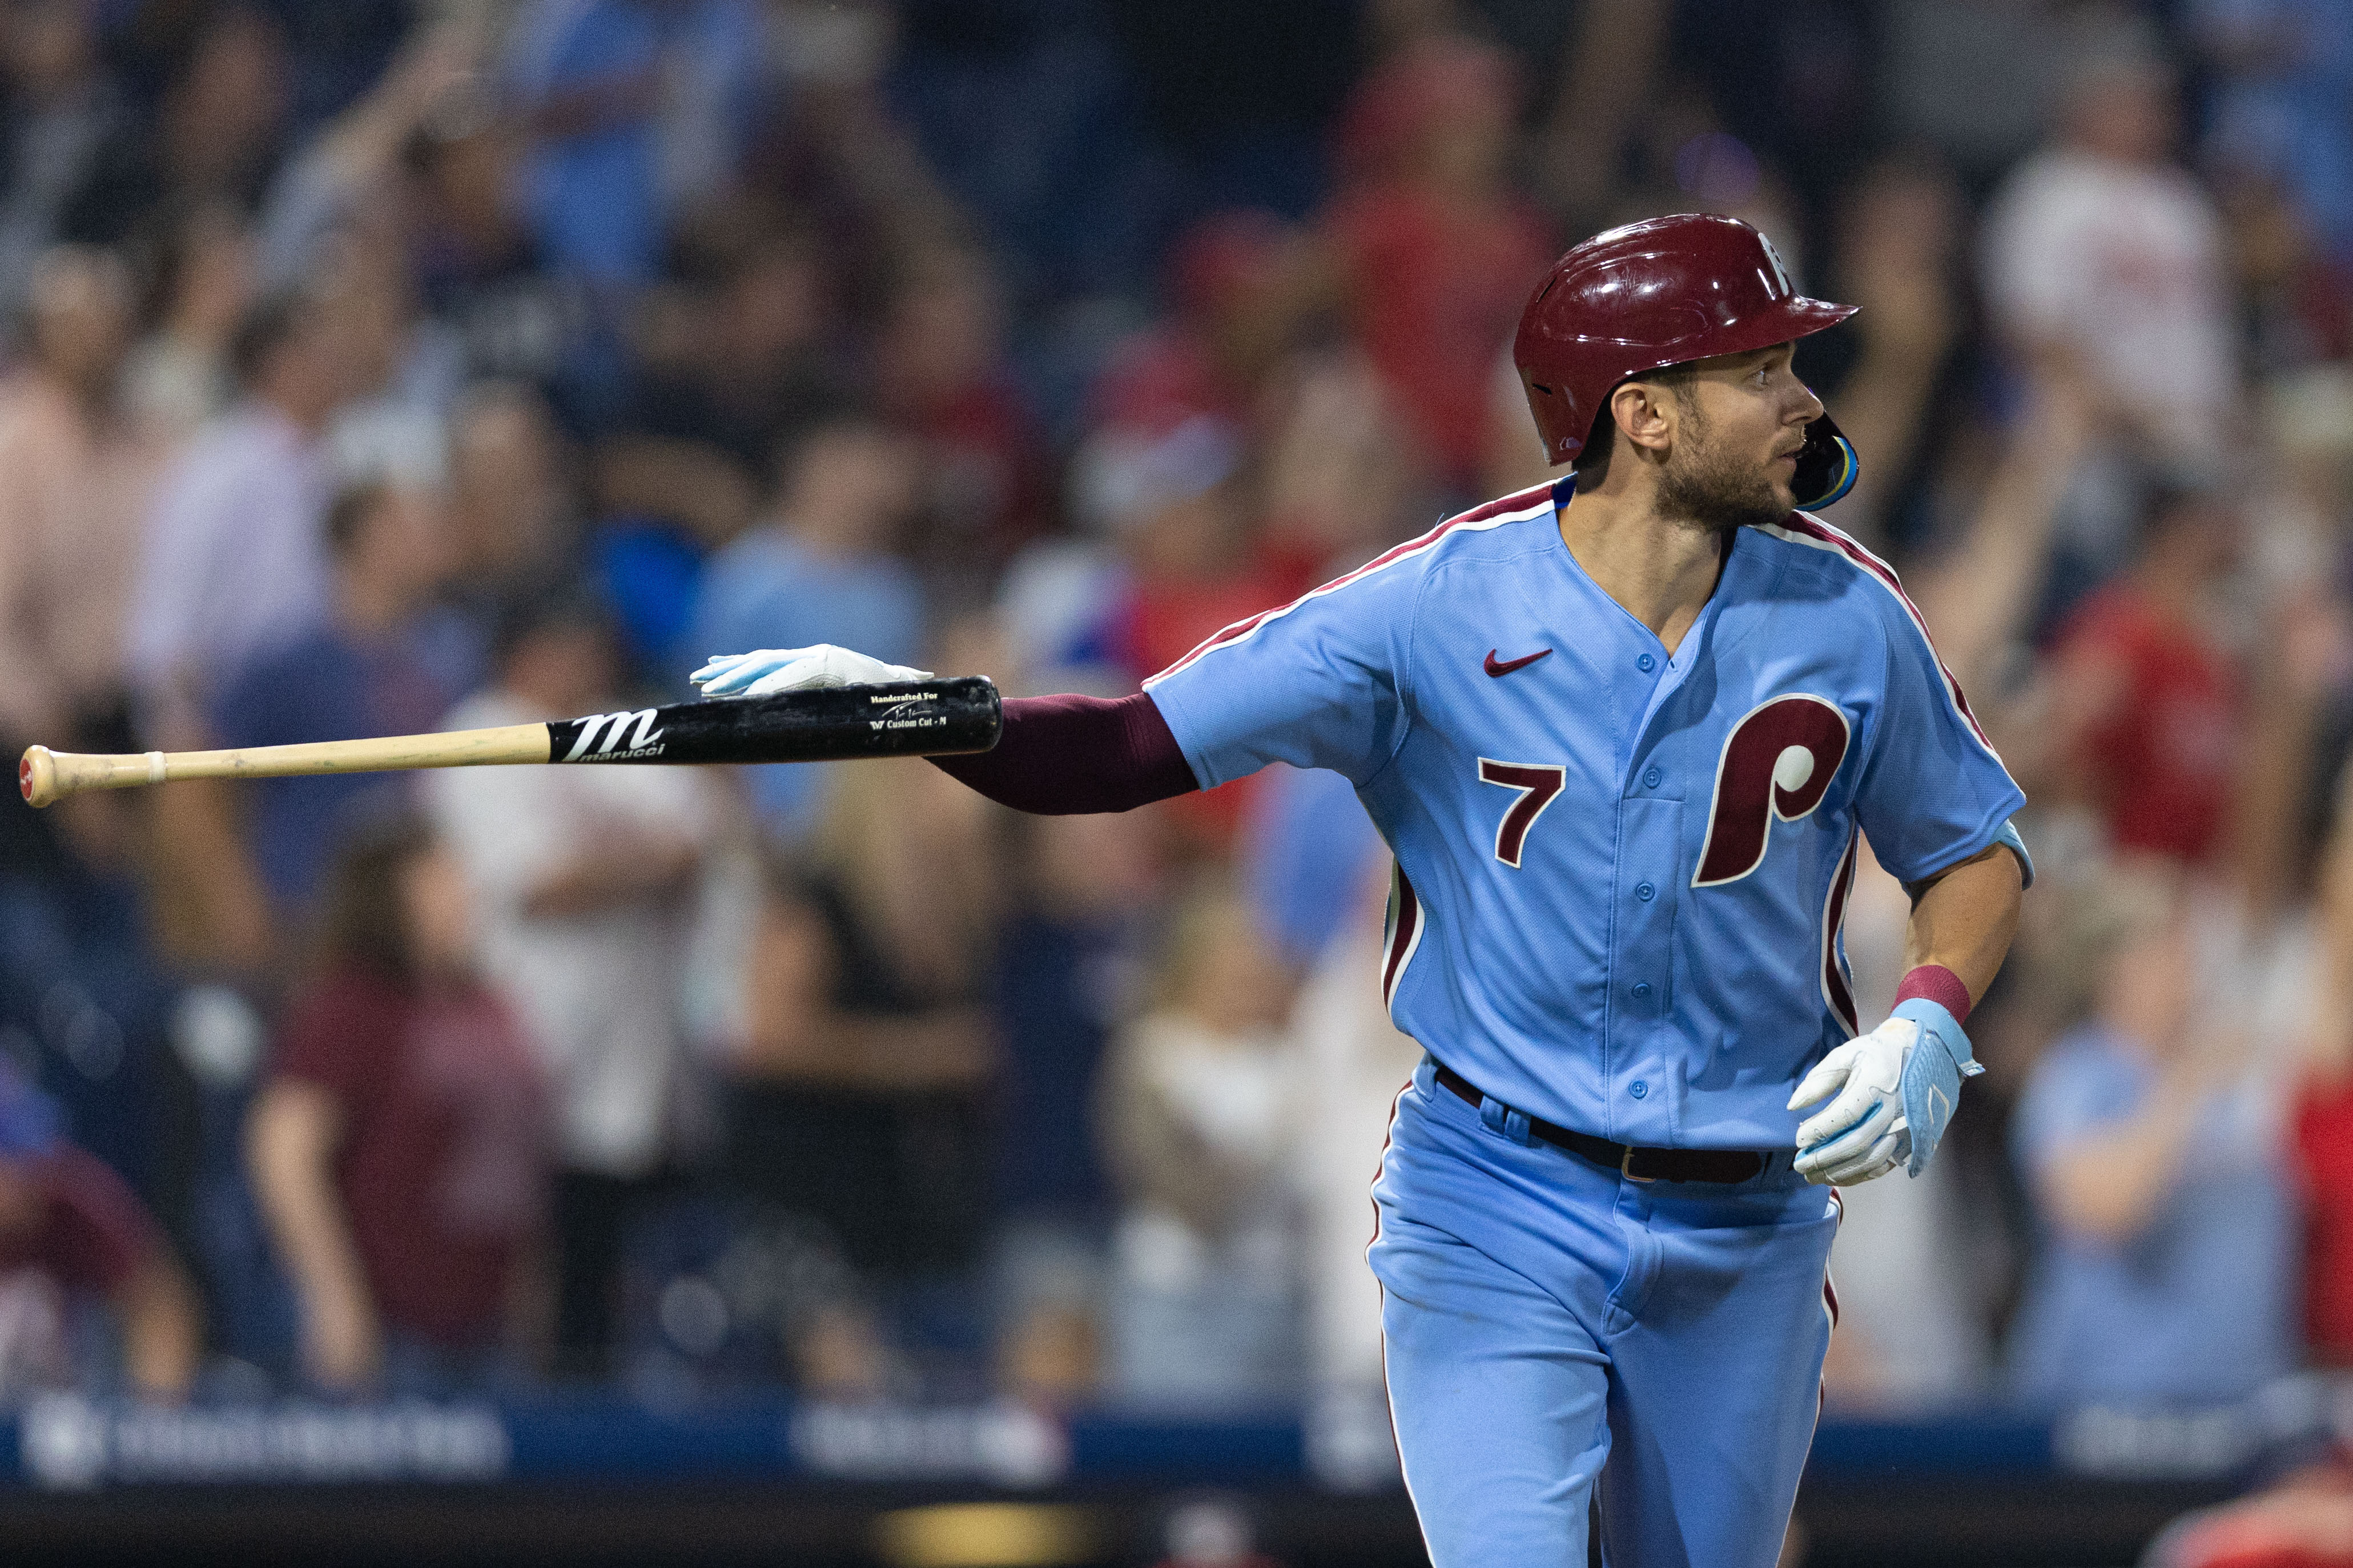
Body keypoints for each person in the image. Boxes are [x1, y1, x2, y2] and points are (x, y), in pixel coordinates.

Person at [693, 213, 2030, 1566]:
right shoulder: (1422, 612)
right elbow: (1114, 750)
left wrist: (1925, 1010)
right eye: (1758, 368)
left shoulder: (1849, 616)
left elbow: (1970, 845)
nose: (1801, 397)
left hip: (1744, 1219)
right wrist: (899, 710)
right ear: (1644, 416)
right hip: (1501, 1196)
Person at [426, 590, 711, 1379]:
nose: (588, 656)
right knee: (524, 1250)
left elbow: (695, 845)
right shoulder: (479, 727)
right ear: (524, 647)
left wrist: (616, 866)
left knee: (609, 1254)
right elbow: (537, 881)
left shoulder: (630, 723)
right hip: (521, 1038)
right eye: (569, 639)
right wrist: (637, 865)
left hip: (634, 1041)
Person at [246, 816, 549, 1396]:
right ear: (394, 893)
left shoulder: (486, 1001)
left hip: (490, 1320)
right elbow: (283, 1150)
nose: (466, 892)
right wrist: (333, 1298)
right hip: (395, 1329)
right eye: (444, 876)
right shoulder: (355, 1007)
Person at [2005, 862, 2295, 1406]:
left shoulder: (2232, 1082)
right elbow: (2098, 1206)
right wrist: (2183, 1088)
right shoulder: (2076, 1075)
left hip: (2243, 1403)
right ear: (2112, 968)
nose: (2189, 968)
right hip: (2108, 1407)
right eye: (2165, 950)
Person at [0, 1062, 199, 1404]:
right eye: (12, 1162)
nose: (27, 1181)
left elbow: (157, 1301)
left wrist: (156, 1418)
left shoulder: (64, 1194)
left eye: (30, 1160)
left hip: (50, 1418)